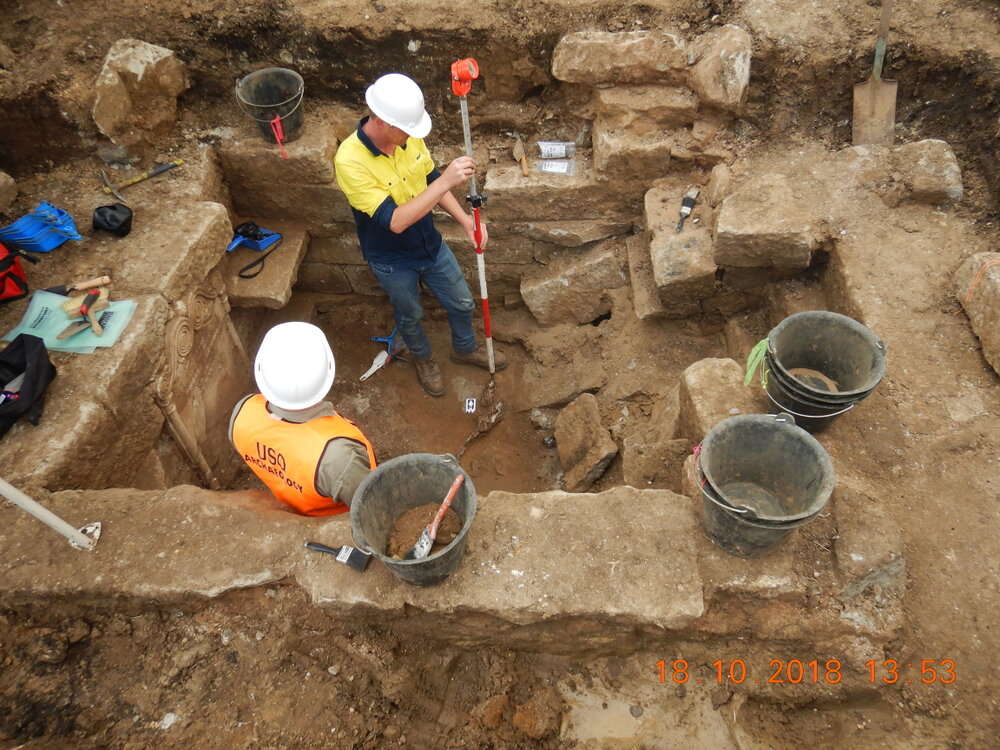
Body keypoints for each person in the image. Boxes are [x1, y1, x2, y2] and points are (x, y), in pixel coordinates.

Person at [334, 72, 507, 397]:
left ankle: (465, 348)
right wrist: (447, 181)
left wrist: (466, 221)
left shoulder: (407, 137)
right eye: (406, 129)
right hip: (390, 259)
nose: (412, 136)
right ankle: (423, 359)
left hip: (429, 244)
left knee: (462, 302)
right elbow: (395, 221)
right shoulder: (350, 161)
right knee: (410, 315)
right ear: (383, 121)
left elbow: (429, 178)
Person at [230, 322, 375, 516]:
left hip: (293, 502)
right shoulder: (338, 458)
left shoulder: (242, 412)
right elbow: (371, 505)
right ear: (327, 373)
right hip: (332, 518)